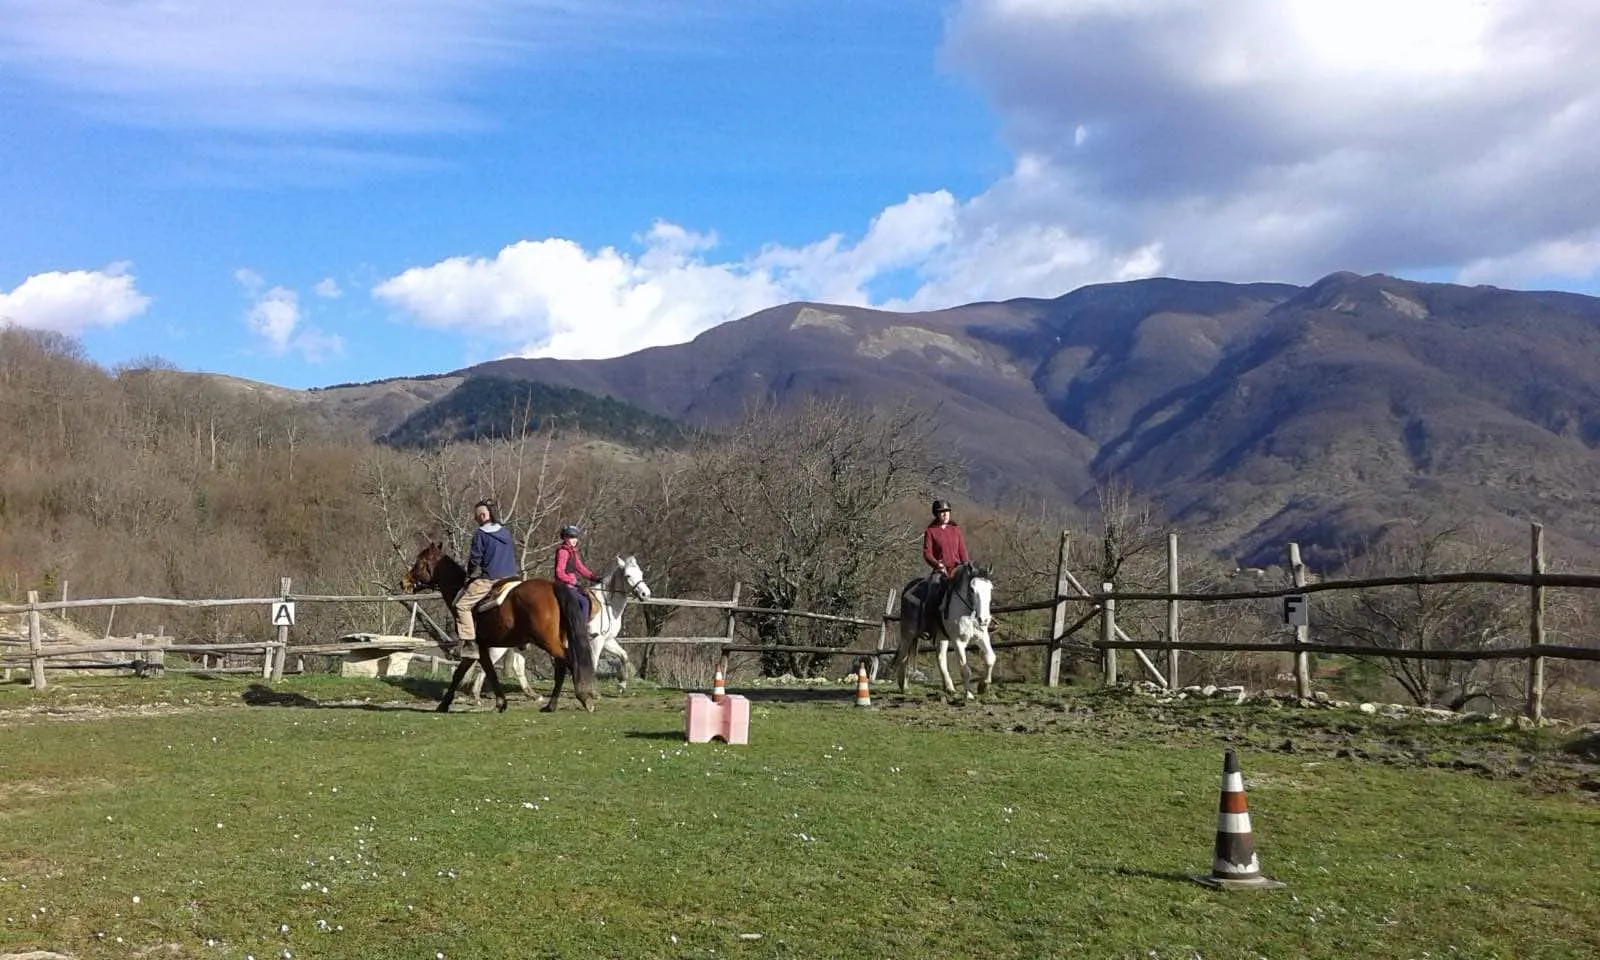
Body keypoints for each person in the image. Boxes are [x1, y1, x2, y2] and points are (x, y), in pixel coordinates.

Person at [452, 499, 518, 646]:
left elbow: (475, 559)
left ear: (482, 516)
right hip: (513, 576)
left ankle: (469, 642)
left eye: (476, 518)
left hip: (492, 579)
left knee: (462, 606)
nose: (476, 521)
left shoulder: (480, 534)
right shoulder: (506, 532)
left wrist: (469, 575)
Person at [921, 499, 970, 626]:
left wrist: (966, 566)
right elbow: (927, 553)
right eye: (941, 512)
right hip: (941, 571)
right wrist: (937, 564)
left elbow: (962, 551)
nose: (945, 514)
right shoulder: (930, 531)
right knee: (933, 590)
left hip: (957, 569)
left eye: (947, 511)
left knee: (974, 588)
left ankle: (981, 619)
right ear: (936, 514)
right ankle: (929, 624)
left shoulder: (956, 530)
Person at [553, 523, 604, 639]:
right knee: (584, 602)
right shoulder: (563, 552)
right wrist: (571, 581)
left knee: (589, 597)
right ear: (565, 538)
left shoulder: (573, 552)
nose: (574, 540)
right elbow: (559, 572)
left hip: (571, 585)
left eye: (575, 537)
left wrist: (594, 577)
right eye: (571, 537)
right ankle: (582, 630)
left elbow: (580, 568)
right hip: (563, 585)